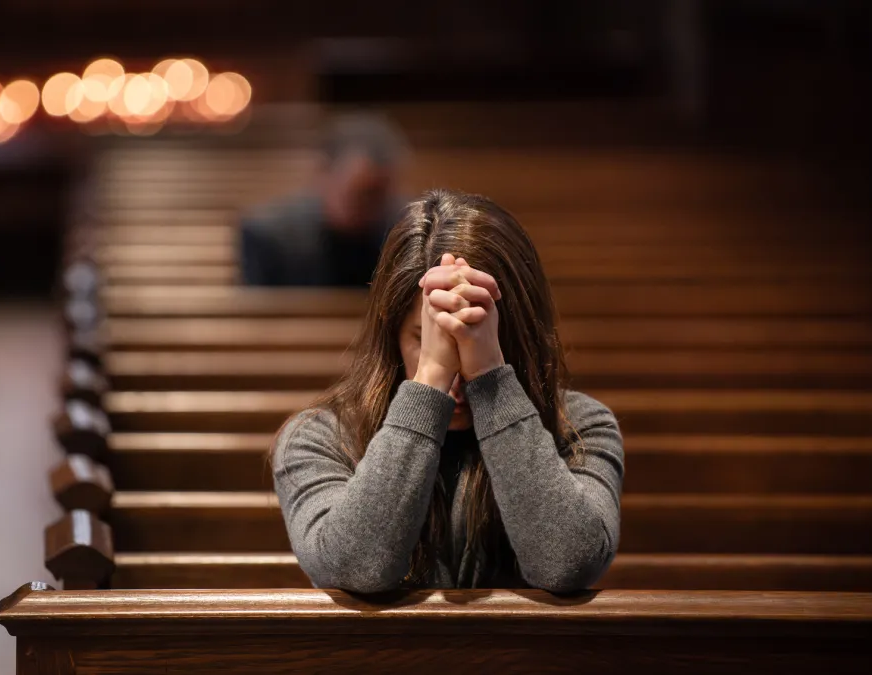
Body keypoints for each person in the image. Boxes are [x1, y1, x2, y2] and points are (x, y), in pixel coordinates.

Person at [272, 189, 624, 593]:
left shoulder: (581, 425)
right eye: (426, 338)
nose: (457, 374)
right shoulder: (317, 438)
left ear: (520, 337)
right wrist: (430, 377)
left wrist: (490, 375)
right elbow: (355, 567)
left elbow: (567, 563)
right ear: (392, 337)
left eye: (478, 337)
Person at [239, 114, 407, 287]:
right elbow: (256, 311)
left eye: (382, 195)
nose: (373, 207)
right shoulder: (267, 236)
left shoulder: (409, 231)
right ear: (323, 173)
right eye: (363, 193)